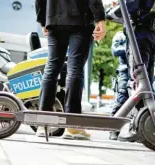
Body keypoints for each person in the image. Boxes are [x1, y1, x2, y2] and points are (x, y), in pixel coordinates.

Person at [35, 0, 106, 139]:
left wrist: (43, 19)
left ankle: (42, 123)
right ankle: (72, 126)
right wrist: (100, 18)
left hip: (54, 18)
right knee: (75, 67)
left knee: (52, 67)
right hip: (80, 19)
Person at [106, 0, 155, 142]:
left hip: (140, 34)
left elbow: (132, 4)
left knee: (137, 81)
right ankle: (148, 125)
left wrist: (111, 13)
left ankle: (138, 127)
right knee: (147, 83)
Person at [109, 31, 130, 140]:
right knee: (120, 100)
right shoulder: (120, 34)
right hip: (125, 71)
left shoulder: (141, 33)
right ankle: (113, 129)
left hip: (140, 71)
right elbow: (115, 50)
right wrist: (130, 47)